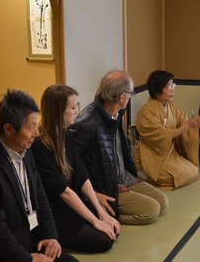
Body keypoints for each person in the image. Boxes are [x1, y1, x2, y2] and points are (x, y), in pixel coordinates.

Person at [0, 89, 77, 262]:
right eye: (31, 127)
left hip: (34, 240)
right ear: (8, 128)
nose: (36, 133)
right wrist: (29, 259)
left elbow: (40, 195)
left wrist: (51, 236)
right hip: (10, 253)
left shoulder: (27, 151)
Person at [71, 69, 168, 225]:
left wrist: (131, 176)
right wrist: (95, 194)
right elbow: (73, 167)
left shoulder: (114, 114)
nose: (131, 97)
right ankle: (102, 214)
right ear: (122, 97)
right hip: (105, 187)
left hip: (123, 178)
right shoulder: (86, 123)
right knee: (151, 211)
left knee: (162, 202)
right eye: (131, 93)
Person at [31, 84, 120, 253]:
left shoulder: (66, 134)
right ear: (58, 111)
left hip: (70, 203)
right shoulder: (39, 146)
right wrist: (95, 221)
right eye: (72, 107)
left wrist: (101, 213)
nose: (77, 111)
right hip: (54, 212)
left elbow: (81, 176)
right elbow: (64, 192)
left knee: (111, 218)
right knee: (103, 240)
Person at [134, 70, 200, 189]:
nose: (172, 89)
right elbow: (160, 136)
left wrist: (196, 123)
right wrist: (189, 125)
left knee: (193, 171)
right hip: (154, 155)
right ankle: (145, 173)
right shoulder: (146, 112)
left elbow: (183, 121)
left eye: (172, 85)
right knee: (175, 176)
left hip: (170, 153)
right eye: (168, 86)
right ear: (157, 89)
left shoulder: (170, 105)